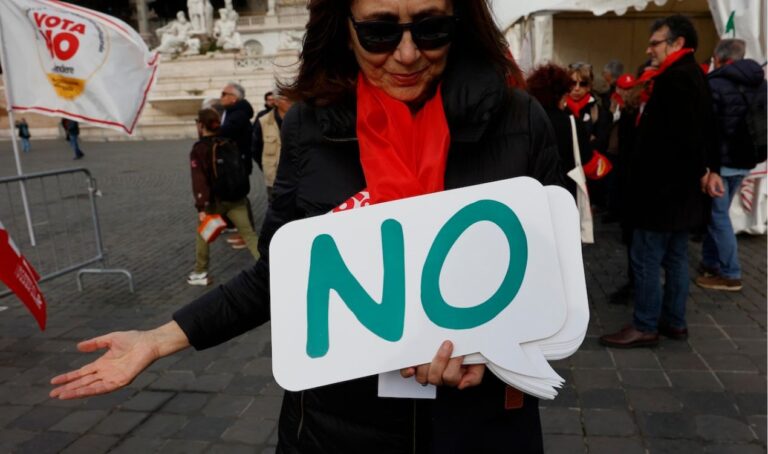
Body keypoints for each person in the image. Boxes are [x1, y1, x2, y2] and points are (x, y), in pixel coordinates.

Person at [49, 1, 562, 452]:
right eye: (380, 32)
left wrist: (492, 352)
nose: (407, 54)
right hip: (337, 425)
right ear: (343, 27)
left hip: (479, 427)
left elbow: (550, 273)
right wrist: (159, 339)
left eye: (431, 29)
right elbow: (279, 276)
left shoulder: (520, 120)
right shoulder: (308, 128)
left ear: (461, 22)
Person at [600, 15, 716, 348]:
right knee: (676, 257)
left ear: (677, 43)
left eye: (656, 42)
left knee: (648, 257)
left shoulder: (674, 79)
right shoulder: (690, 75)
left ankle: (646, 324)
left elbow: (680, 138)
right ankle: (673, 321)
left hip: (661, 191)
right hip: (678, 192)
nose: (650, 49)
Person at [695, 39, 767, 292]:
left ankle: (730, 273)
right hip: (746, 159)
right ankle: (712, 263)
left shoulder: (715, 83)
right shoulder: (760, 82)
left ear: (719, 57)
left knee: (718, 217)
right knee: (719, 213)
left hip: (720, 163)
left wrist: (707, 166)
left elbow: (708, 129)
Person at [187, 109, 259, 286]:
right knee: (249, 235)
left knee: (203, 235)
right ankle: (269, 266)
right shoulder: (228, 142)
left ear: (201, 125)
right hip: (236, 198)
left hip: (214, 202)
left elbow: (199, 179)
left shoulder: (200, 149)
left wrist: (201, 206)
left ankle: (200, 272)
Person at [526, 63, 590, 197]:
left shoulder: (526, 120)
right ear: (563, 95)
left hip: (533, 190)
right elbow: (585, 156)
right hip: (565, 192)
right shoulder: (572, 123)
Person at [566, 61, 613, 209]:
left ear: (590, 86)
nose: (577, 88)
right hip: (563, 174)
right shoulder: (559, 108)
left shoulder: (599, 111)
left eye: (583, 83)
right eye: (572, 83)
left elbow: (601, 142)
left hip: (588, 177)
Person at [252, 89, 293, 200]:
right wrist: (266, 166)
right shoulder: (263, 121)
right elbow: (256, 149)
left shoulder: (300, 120)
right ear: (276, 102)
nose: (292, 102)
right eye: (287, 99)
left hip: (296, 176)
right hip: (273, 177)